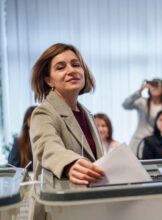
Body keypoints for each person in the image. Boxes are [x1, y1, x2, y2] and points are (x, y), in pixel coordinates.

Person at [29, 43, 105, 219]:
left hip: (87, 208)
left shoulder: (87, 114)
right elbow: (47, 146)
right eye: (61, 67)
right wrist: (70, 164)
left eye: (76, 64)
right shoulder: (44, 112)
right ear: (49, 80)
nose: (71, 70)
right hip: (59, 212)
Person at [122, 78, 162, 157]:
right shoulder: (143, 102)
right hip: (138, 140)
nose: (155, 87)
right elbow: (125, 105)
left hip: (154, 143)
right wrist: (140, 90)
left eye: (157, 85)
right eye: (153, 85)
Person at [8, 105, 36, 171]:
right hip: (24, 180)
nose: (37, 123)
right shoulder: (18, 142)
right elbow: (12, 168)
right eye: (33, 119)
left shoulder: (46, 141)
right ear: (27, 122)